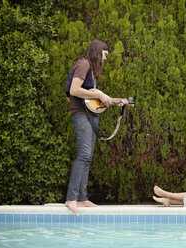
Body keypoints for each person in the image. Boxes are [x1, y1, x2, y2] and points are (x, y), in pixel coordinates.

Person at [64, 39, 128, 216]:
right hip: (81, 115)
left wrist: (114, 101)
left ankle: (82, 198)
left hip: (90, 115)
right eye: (104, 55)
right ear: (97, 52)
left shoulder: (91, 70)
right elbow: (74, 91)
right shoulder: (83, 64)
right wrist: (98, 92)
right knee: (84, 154)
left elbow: (91, 99)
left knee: (88, 156)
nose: (105, 59)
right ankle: (71, 198)